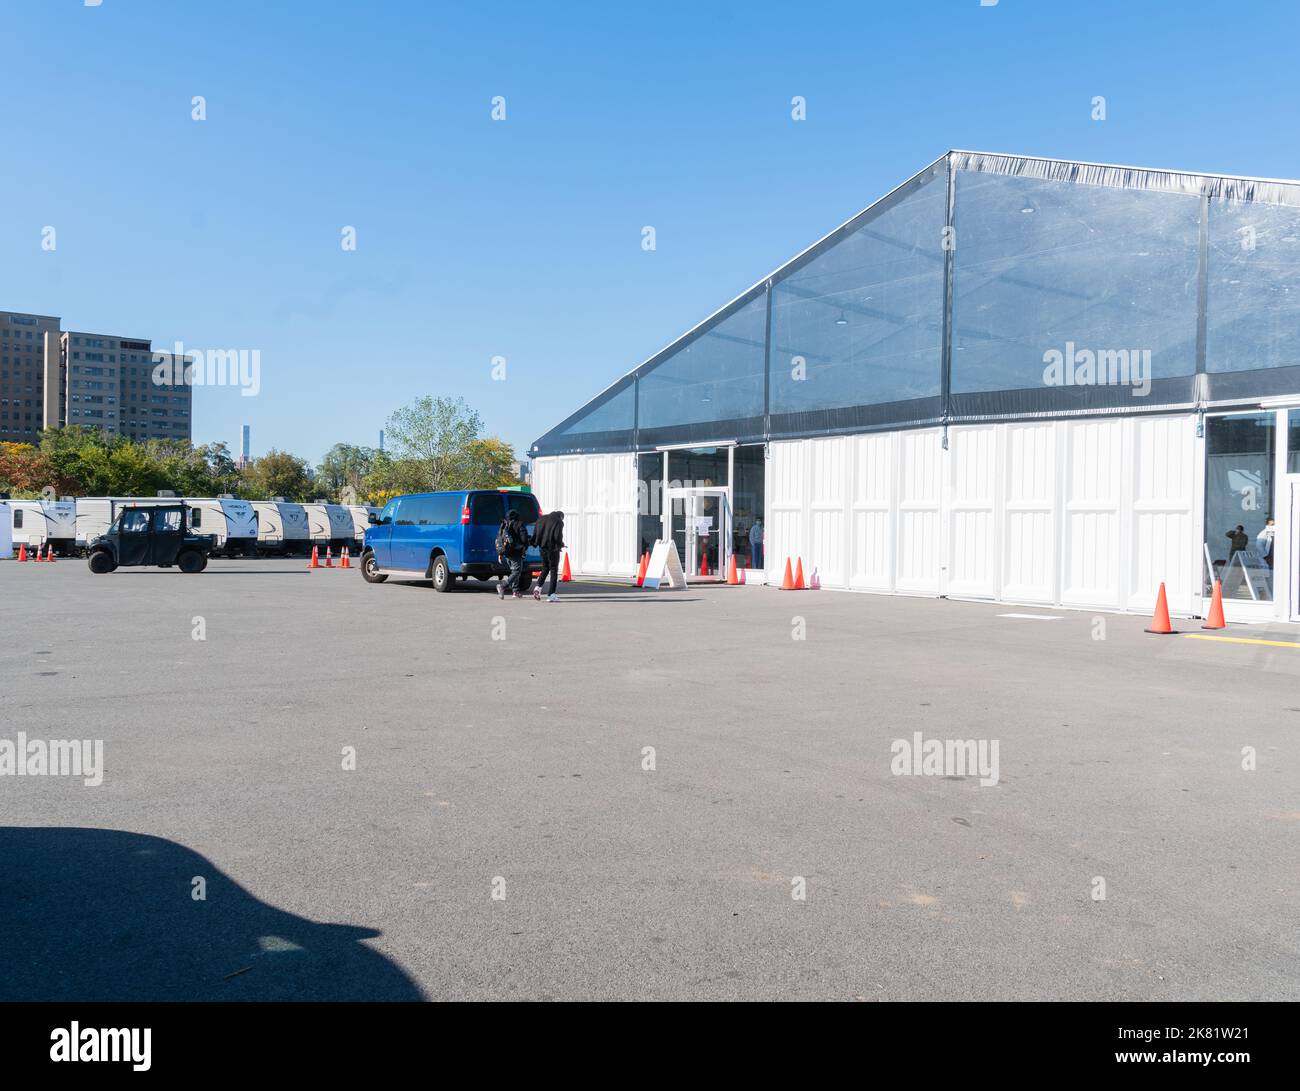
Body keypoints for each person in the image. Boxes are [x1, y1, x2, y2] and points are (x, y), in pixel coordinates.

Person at [531, 509, 565, 602]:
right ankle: (551, 594)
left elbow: (536, 533)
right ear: (560, 516)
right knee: (554, 570)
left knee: (545, 568)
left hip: (542, 548)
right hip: (552, 549)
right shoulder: (558, 521)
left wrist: (535, 543)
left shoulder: (541, 519)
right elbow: (557, 536)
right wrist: (561, 544)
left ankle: (537, 588)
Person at [495, 508, 529, 599]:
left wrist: (500, 553)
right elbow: (524, 539)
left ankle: (516, 591)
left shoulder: (505, 524)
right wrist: (526, 545)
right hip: (516, 552)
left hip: (506, 552)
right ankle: (503, 585)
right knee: (517, 571)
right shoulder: (519, 524)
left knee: (514, 571)